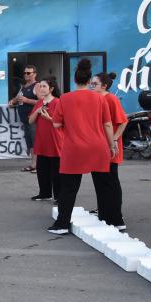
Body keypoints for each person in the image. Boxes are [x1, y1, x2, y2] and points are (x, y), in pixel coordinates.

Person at [45, 58, 117, 235]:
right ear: (89, 79)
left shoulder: (65, 99)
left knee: (68, 189)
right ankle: (111, 222)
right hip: (98, 147)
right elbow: (108, 124)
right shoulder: (100, 99)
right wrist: (112, 144)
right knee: (105, 187)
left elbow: (56, 124)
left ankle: (62, 224)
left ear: (74, 79)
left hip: (74, 148)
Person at [91, 72, 128, 229]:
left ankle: (116, 217)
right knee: (100, 181)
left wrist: (114, 139)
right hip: (99, 147)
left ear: (104, 86)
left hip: (109, 147)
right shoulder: (96, 99)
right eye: (91, 84)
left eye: (95, 84)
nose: (91, 86)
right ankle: (104, 212)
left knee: (111, 181)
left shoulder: (110, 99)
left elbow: (123, 121)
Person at [28, 78, 63, 202]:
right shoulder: (39, 103)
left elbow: (62, 122)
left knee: (56, 171)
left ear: (51, 89)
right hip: (42, 141)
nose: (41, 89)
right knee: (42, 170)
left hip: (55, 141)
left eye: (44, 86)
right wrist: (37, 111)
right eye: (40, 86)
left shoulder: (58, 102)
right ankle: (44, 193)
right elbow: (30, 121)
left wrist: (48, 118)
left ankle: (59, 196)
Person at [11, 65, 39, 172]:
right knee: (30, 143)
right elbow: (18, 97)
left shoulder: (37, 85)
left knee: (35, 142)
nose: (26, 75)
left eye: (28, 73)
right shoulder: (24, 86)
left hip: (33, 119)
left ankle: (38, 165)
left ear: (34, 74)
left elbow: (41, 101)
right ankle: (33, 164)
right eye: (25, 73)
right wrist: (12, 101)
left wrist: (27, 100)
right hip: (25, 120)